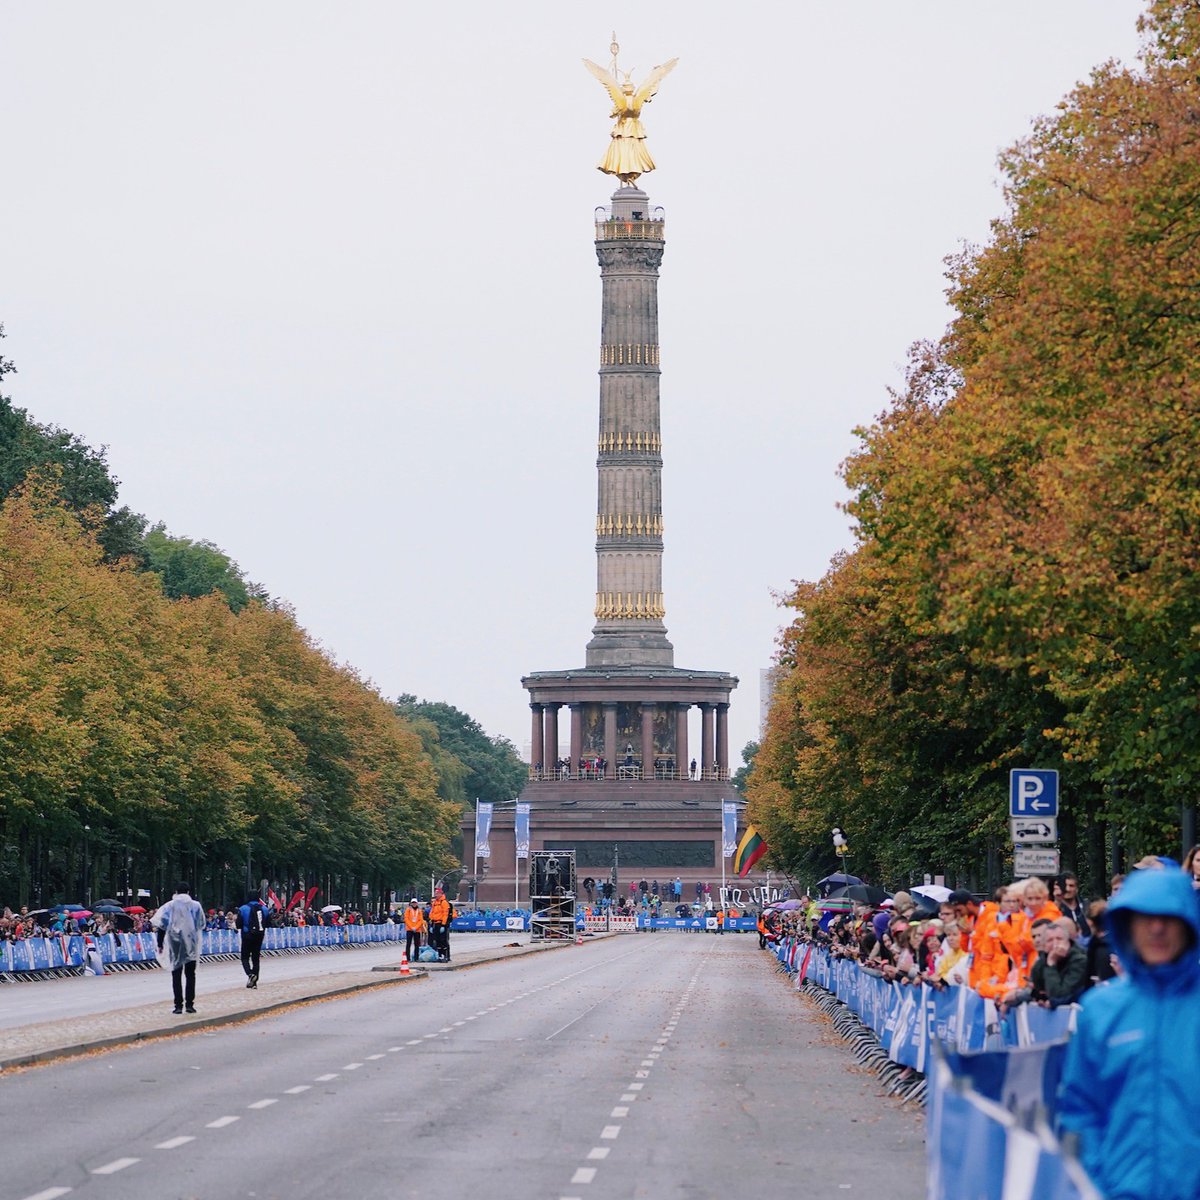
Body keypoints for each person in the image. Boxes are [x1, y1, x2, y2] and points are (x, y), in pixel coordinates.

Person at [1057, 866, 1200, 1200]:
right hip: (1120, 1190)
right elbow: (1079, 1109)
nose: (1157, 928)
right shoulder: (1101, 1009)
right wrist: (1097, 1180)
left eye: (1169, 917)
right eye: (1144, 917)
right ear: (1126, 926)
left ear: (1188, 923)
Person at [152, 883, 206, 1015]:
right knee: (190, 975)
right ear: (188, 891)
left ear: (176, 891)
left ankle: (178, 1005)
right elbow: (201, 924)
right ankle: (190, 1004)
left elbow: (162, 925)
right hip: (191, 943)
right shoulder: (196, 905)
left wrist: (160, 944)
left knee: (176, 975)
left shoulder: (169, 905)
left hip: (175, 943)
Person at [236, 892, 270, 989]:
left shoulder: (243, 909)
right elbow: (268, 923)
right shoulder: (264, 909)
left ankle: (250, 974)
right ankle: (254, 983)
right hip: (259, 935)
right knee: (256, 958)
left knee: (245, 957)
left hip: (247, 935)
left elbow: (238, 924)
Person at [428, 888, 454, 962]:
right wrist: (431, 922)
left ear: (441, 894)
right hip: (435, 923)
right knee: (437, 940)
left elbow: (445, 914)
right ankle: (440, 956)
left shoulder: (444, 902)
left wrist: (443, 925)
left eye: (437, 893)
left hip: (442, 923)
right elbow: (432, 913)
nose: (436, 895)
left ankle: (445, 956)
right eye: (435, 893)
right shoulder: (434, 903)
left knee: (443, 940)